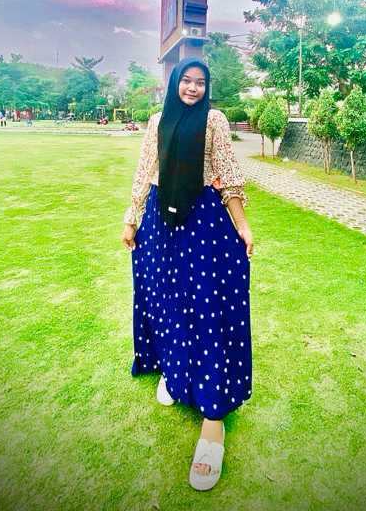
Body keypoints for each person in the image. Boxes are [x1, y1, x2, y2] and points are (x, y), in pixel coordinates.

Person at [121, 58, 254, 491]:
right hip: (160, 220)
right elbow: (146, 171)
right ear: (174, 82)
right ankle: (174, 372)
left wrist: (242, 224)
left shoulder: (214, 121)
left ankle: (213, 423)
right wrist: (131, 218)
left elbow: (228, 175)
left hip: (202, 220)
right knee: (166, 298)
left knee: (207, 305)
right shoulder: (157, 120)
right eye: (186, 81)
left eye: (200, 82)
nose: (193, 88)